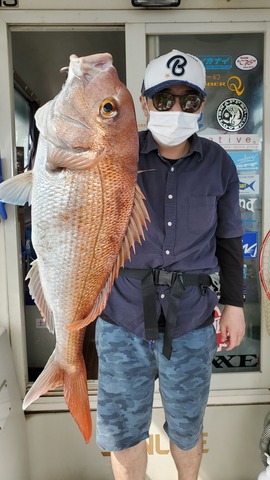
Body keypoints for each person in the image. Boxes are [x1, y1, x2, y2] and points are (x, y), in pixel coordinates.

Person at [95, 49, 246, 480]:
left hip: (193, 322)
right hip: (122, 316)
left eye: (188, 100)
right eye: (164, 100)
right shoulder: (116, 156)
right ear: (143, 102)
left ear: (201, 104)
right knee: (124, 433)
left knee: (186, 429)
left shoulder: (220, 163)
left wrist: (234, 305)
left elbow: (229, 240)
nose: (175, 110)